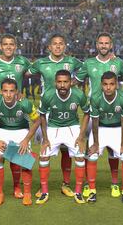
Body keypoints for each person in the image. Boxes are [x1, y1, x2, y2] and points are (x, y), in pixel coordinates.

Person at [74, 32, 123, 198]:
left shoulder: (117, 62)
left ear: (111, 45)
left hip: (114, 112)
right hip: (93, 112)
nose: (104, 46)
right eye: (101, 43)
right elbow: (74, 81)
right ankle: (89, 184)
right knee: (91, 149)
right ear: (97, 45)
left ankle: (115, 183)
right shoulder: (88, 63)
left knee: (114, 151)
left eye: (106, 43)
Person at [27, 34, 83, 198]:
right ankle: (42, 185)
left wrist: (75, 82)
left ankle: (65, 184)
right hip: (47, 109)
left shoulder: (72, 61)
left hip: (66, 109)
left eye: (61, 44)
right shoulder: (41, 63)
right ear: (49, 47)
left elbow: (86, 68)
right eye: (54, 44)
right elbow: (24, 72)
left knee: (67, 149)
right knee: (44, 147)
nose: (58, 47)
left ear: (65, 46)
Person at [0, 33, 32, 199]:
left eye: (12, 44)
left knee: (17, 154)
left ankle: (17, 188)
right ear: (0, 46)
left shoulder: (22, 62)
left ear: (15, 46)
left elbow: (35, 72)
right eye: (5, 44)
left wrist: (22, 94)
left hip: (17, 113)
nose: (9, 47)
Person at [0, 78, 40, 206]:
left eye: (11, 91)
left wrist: (26, 140)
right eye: (5, 91)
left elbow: (37, 121)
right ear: (1, 91)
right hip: (3, 130)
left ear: (16, 92)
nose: (8, 94)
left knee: (25, 161)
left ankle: (27, 194)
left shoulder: (24, 103)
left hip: (22, 130)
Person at [37, 70, 89, 204]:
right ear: (55, 83)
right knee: (43, 155)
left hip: (72, 127)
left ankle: (78, 192)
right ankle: (44, 191)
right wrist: (45, 139)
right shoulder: (48, 95)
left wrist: (81, 137)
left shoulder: (78, 94)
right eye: (59, 82)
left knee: (80, 155)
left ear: (71, 82)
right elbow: (42, 116)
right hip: (53, 127)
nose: (62, 85)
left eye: (65, 82)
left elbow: (87, 114)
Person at [85, 71, 123, 204]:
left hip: (118, 129)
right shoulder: (95, 98)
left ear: (117, 85)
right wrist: (95, 143)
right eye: (105, 84)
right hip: (101, 129)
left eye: (111, 84)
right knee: (92, 155)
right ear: (101, 85)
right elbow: (94, 122)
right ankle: (92, 191)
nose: (108, 87)